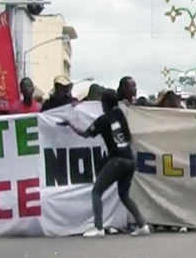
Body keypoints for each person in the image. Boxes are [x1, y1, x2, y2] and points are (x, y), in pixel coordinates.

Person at [59, 89, 151, 238]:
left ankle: (98, 227)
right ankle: (142, 224)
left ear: (105, 104)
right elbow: (129, 137)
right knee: (124, 194)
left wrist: (70, 125)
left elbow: (86, 134)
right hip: (130, 160)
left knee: (97, 191)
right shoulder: (120, 114)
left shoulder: (103, 120)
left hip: (117, 161)